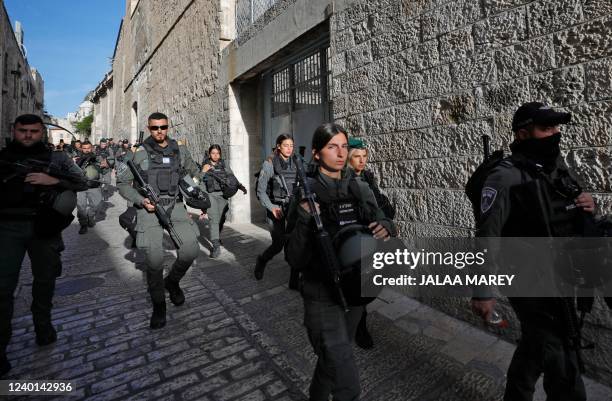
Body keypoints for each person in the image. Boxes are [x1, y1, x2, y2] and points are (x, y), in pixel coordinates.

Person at [471, 102, 596, 401]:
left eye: (556, 127)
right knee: (561, 357)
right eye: (546, 128)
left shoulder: (554, 167)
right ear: (523, 134)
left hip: (561, 271)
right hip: (528, 279)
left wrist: (588, 203)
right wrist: (483, 291)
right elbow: (488, 236)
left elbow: (569, 206)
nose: (554, 134)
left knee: (537, 345)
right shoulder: (505, 177)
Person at [285, 123, 397, 401]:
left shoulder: (358, 187)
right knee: (348, 385)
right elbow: (294, 257)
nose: (340, 153)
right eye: (332, 147)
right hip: (322, 296)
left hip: (356, 290)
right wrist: (302, 217)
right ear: (316, 153)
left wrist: (385, 227)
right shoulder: (305, 193)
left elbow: (383, 219)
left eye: (344, 146)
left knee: (332, 363)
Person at [0, 114, 87, 377]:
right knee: (3, 288)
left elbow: (82, 182)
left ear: (42, 133)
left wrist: (54, 181)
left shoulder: (57, 159)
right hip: (7, 227)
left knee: (45, 279)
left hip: (44, 226)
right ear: (13, 130)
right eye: (23, 130)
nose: (28, 135)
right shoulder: (2, 158)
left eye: (34, 131)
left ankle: (43, 325)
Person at [116, 112, 202, 329]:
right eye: (155, 128)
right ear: (149, 127)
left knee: (190, 249)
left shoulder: (179, 149)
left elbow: (195, 171)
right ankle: (159, 305)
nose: (159, 131)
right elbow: (123, 183)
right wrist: (140, 200)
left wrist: (195, 186)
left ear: (168, 126)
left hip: (175, 206)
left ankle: (172, 282)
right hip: (149, 209)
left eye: (163, 127)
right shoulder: (139, 154)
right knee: (154, 261)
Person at [346, 138, 397, 350]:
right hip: (355, 238)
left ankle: (357, 320)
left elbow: (378, 205)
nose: (362, 161)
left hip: (372, 236)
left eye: (364, 156)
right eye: (357, 157)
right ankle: (359, 328)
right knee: (359, 283)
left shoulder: (367, 177)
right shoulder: (343, 181)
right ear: (348, 158)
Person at [253, 134, 300, 288]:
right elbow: (261, 192)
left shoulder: (296, 161)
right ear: (278, 146)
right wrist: (272, 208)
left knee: (294, 242)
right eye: (286, 145)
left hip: (292, 207)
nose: (289, 148)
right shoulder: (269, 164)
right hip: (276, 207)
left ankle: (294, 280)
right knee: (279, 243)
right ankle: (262, 260)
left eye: (291, 145)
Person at [201, 145, 246, 258]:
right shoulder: (206, 165)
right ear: (209, 154)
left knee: (221, 218)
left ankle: (217, 236)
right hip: (211, 195)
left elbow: (232, 178)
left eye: (217, 153)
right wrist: (202, 172)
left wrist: (240, 186)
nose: (215, 155)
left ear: (220, 154)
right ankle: (216, 246)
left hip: (223, 196)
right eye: (213, 153)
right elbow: (199, 180)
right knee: (214, 219)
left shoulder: (224, 165)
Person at [75, 141, 103, 234]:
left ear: (92, 148)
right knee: (81, 207)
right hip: (81, 187)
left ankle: (90, 216)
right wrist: (80, 161)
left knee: (96, 205)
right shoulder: (77, 158)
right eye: (84, 148)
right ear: (81, 149)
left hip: (94, 186)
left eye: (88, 148)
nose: (86, 150)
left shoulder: (97, 157)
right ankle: (83, 224)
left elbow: (105, 167)